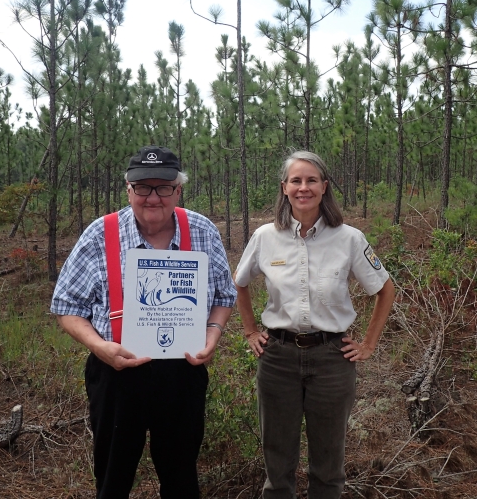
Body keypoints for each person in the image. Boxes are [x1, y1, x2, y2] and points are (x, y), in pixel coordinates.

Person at [51, 145, 237, 499]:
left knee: (181, 475)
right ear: (128, 189)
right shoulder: (99, 234)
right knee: (113, 477)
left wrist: (212, 334)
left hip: (183, 372)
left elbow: (224, 298)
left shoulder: (201, 230)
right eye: (143, 187)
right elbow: (66, 305)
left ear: (178, 189)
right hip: (116, 373)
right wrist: (98, 346)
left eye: (163, 187)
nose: (153, 197)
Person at [234, 151, 395, 499]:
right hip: (277, 358)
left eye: (311, 180)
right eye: (296, 180)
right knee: (277, 464)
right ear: (284, 187)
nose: (303, 187)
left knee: (328, 463)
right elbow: (240, 282)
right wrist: (249, 331)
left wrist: (367, 344)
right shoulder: (265, 237)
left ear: (324, 187)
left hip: (331, 360)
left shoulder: (349, 238)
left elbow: (385, 289)